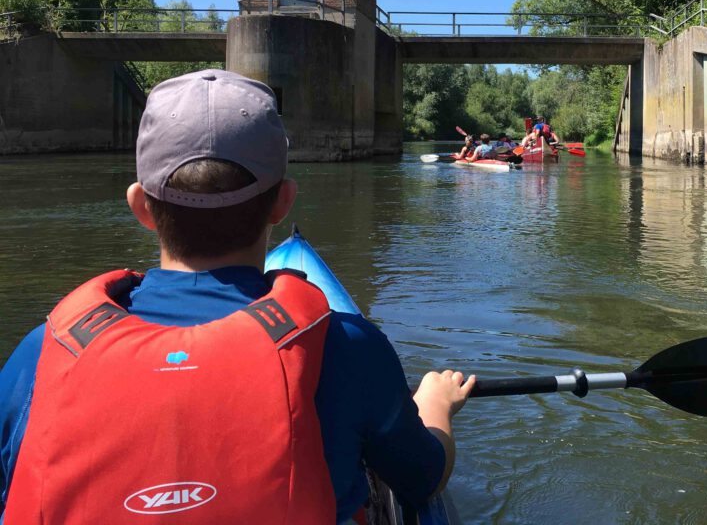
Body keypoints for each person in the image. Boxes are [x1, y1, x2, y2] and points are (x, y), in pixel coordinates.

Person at [0, 69, 474, 523]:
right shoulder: (348, 346)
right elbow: (424, 478)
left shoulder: (40, 354)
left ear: (140, 206)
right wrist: (436, 404)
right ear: (283, 202)